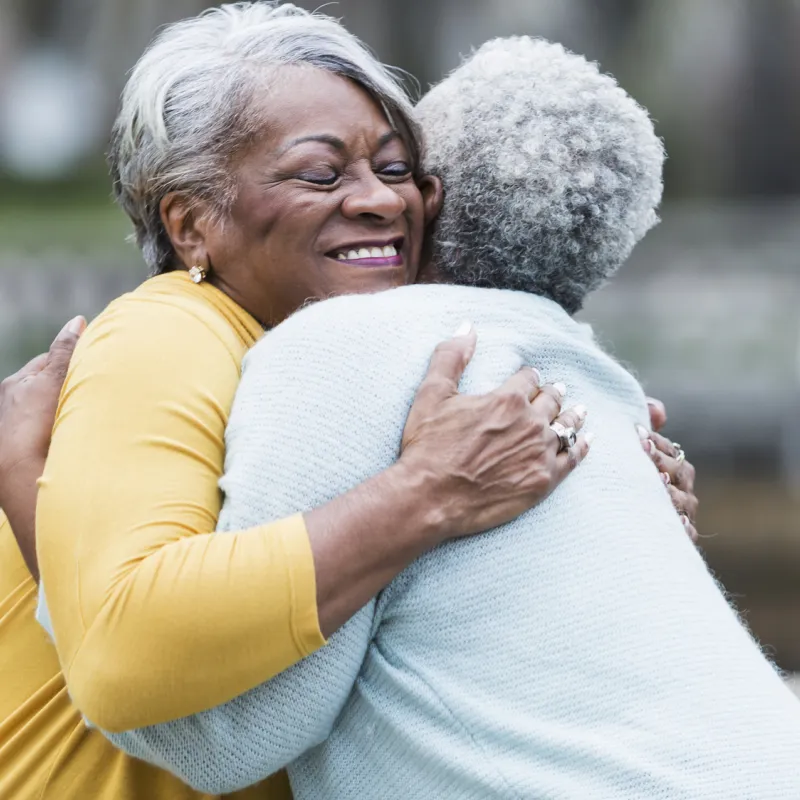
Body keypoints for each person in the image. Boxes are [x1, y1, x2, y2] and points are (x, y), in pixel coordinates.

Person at [0, 4, 692, 799]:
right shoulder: (165, 333)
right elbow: (125, 650)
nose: (379, 202)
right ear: (191, 225)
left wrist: (609, 512)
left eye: (396, 170)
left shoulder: (359, 363)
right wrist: (425, 494)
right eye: (320, 174)